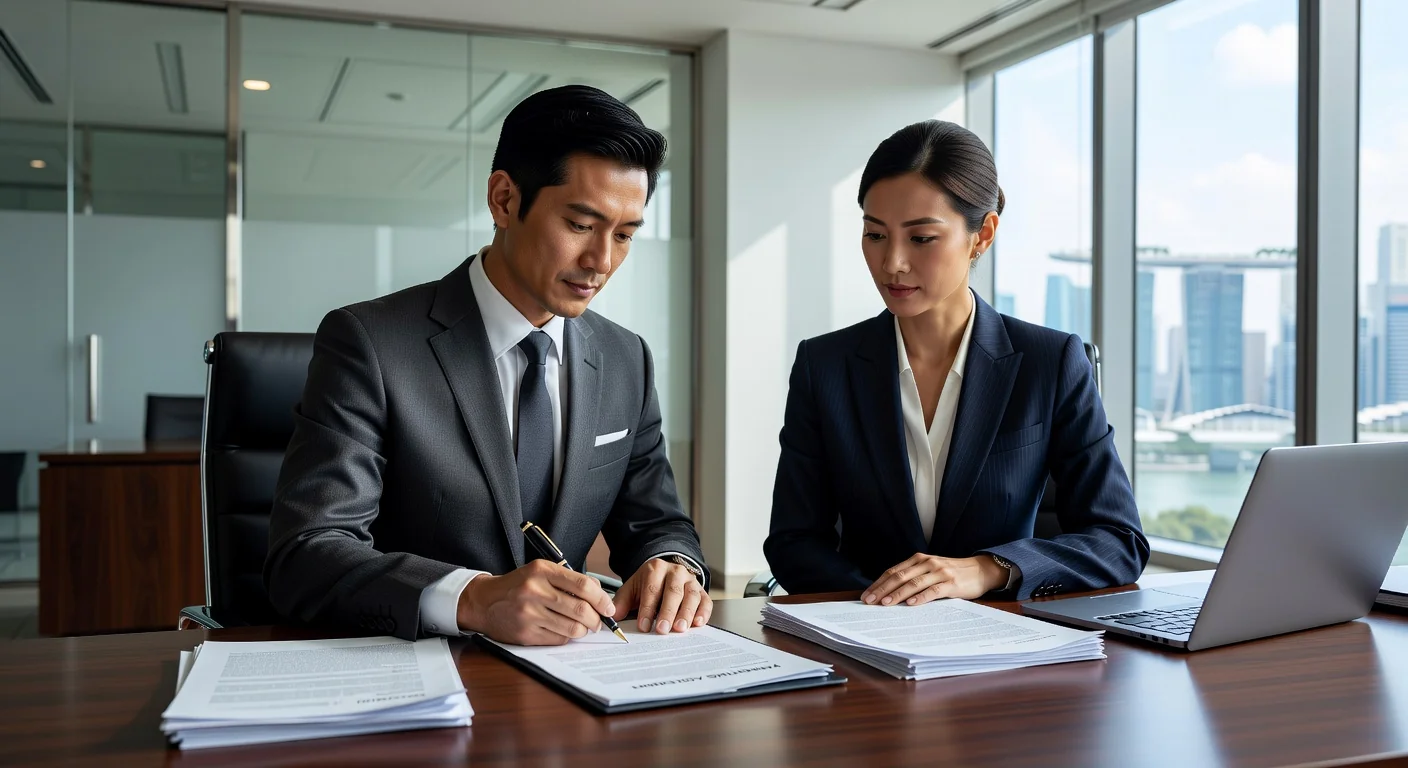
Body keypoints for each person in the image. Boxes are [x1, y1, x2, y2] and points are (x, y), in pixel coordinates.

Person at [266, 85, 710, 645]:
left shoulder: (626, 358)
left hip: (573, 672)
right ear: (504, 200)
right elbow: (306, 553)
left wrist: (672, 565)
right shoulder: (371, 343)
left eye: (624, 235)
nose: (602, 261)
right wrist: (473, 598)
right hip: (416, 670)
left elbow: (658, 523)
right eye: (580, 225)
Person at [764, 120, 1148, 605]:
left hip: (1006, 637)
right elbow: (794, 542)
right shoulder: (824, 367)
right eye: (875, 234)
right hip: (867, 628)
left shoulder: (1051, 364)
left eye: (921, 238)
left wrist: (988, 569)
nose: (892, 263)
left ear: (982, 234)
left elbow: (1118, 540)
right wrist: (892, 604)